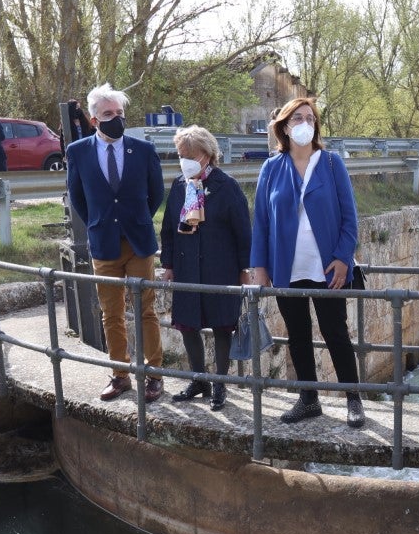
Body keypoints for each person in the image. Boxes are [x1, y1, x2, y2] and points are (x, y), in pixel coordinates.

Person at [250, 97, 364, 428]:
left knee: (335, 332)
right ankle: (309, 399)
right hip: (287, 267)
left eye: (310, 118)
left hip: (328, 268)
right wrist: (260, 266)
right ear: (285, 126)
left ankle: (353, 399)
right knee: (297, 334)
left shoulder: (330, 163)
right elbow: (260, 221)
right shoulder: (271, 168)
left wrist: (343, 258)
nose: (305, 123)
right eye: (298, 118)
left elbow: (350, 218)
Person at [65, 82, 166, 402]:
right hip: (104, 242)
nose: (116, 118)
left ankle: (154, 375)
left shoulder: (144, 149)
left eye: (120, 113)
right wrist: (102, 221)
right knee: (111, 313)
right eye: (109, 114)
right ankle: (119, 374)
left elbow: (156, 194)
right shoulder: (78, 151)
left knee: (145, 309)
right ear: (94, 120)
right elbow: (79, 198)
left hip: (138, 242)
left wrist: (134, 220)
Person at [159, 125, 252, 411]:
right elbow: (168, 229)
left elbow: (243, 232)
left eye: (189, 154)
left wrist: (244, 270)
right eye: (180, 154)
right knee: (188, 325)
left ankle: (220, 385)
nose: (183, 159)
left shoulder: (227, 186)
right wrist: (169, 264)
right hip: (187, 268)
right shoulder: (178, 186)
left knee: (223, 327)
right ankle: (199, 379)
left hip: (220, 268)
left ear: (207, 155)